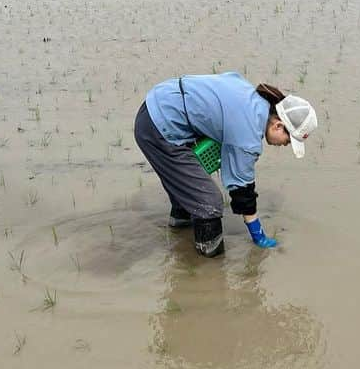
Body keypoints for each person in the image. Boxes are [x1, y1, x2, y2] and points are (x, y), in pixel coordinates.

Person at [134, 72, 318, 257]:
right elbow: (242, 190)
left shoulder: (252, 97)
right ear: (278, 125)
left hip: (158, 102)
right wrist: (258, 236)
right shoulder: (248, 134)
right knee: (209, 203)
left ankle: (180, 229)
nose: (286, 145)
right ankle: (207, 269)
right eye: (289, 139)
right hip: (158, 127)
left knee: (192, 184)